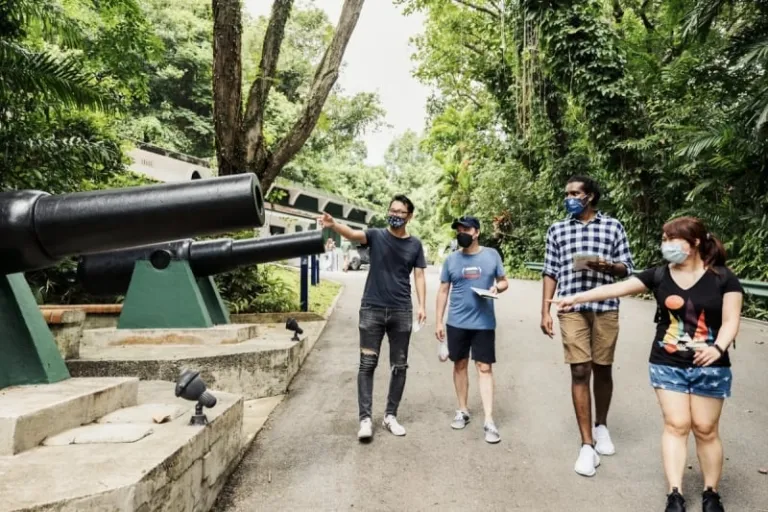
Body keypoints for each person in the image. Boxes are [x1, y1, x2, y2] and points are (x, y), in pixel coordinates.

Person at [551, 216, 742, 512]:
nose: (665, 245)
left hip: (711, 365)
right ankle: (675, 494)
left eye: (671, 239)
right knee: (676, 425)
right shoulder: (659, 275)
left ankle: (711, 493)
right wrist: (576, 298)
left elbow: (731, 321)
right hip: (667, 363)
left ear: (694, 243)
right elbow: (617, 289)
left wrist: (718, 347)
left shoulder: (723, 278)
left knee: (705, 428)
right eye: (663, 239)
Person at [540, 175, 634, 477]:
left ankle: (601, 425)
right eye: (567, 193)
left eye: (575, 193)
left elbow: (627, 267)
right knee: (580, 369)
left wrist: (608, 266)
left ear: (590, 196)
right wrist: (545, 310)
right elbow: (550, 270)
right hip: (571, 307)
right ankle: (587, 445)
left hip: (605, 306)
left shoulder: (613, 226)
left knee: (602, 367)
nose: (569, 198)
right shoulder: (557, 229)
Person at [318, 194, 427, 441]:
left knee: (399, 366)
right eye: (392, 210)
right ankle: (365, 419)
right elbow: (352, 234)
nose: (395, 215)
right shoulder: (376, 236)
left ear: (409, 216)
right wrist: (333, 225)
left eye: (400, 212)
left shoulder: (415, 245)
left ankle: (390, 416)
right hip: (372, 309)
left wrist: (422, 305)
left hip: (401, 311)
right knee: (367, 364)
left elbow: (419, 275)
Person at [435, 216, 508, 443]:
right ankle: (462, 410)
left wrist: (497, 288)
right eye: (458, 230)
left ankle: (489, 420)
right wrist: (438, 321)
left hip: (484, 323)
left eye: (465, 230)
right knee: (459, 365)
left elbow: (504, 281)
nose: (461, 234)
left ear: (476, 232)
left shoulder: (492, 255)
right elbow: (443, 291)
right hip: (456, 322)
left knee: (484, 368)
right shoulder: (451, 260)